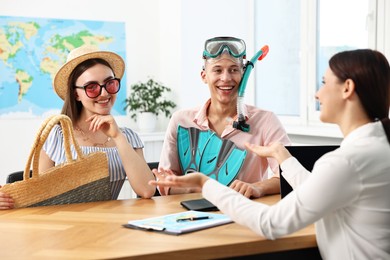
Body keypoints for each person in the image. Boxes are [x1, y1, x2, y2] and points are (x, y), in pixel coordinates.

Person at [151, 49, 390, 259]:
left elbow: (271, 223)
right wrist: (281, 155)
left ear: (347, 88)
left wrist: (205, 184)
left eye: (324, 82)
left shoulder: (346, 162)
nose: (317, 94)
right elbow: (317, 189)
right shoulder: (375, 148)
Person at [0, 46, 156, 209]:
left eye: (110, 83)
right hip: (66, 228)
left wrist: (118, 136)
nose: (104, 93)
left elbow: (146, 190)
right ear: (76, 94)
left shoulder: (128, 137)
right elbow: (40, 197)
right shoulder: (57, 135)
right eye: (92, 87)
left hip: (111, 226)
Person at [157, 36, 290, 197]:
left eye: (234, 70)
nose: (226, 78)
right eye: (217, 70)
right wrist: (198, 188)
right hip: (189, 217)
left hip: (244, 214)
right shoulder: (180, 120)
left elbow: (289, 176)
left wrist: (258, 188)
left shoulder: (266, 121)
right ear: (204, 76)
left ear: (244, 75)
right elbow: (165, 183)